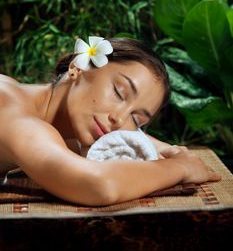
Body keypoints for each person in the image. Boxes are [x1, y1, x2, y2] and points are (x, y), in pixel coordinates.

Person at [0, 37, 221, 205]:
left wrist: (171, 150)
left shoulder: (43, 117)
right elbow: (97, 185)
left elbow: (130, 135)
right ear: (78, 67)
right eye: (119, 92)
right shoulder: (14, 113)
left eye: (137, 119)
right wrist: (178, 167)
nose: (119, 118)